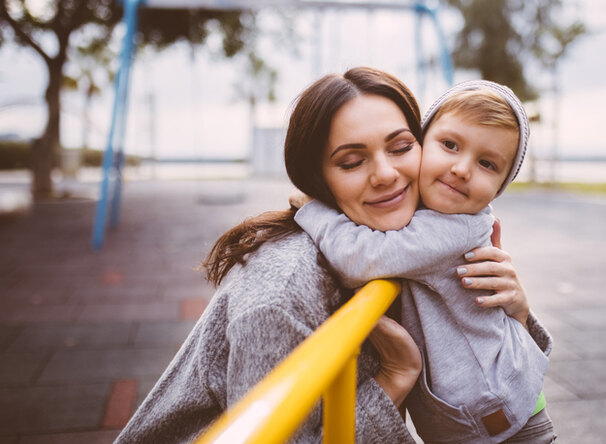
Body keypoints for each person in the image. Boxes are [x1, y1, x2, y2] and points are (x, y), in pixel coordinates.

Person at [114, 69, 550, 444]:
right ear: (315, 176)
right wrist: (393, 379)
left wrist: (516, 308)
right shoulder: (282, 293)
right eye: (350, 161)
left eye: (400, 147)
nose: (385, 174)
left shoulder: (419, 233)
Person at [292, 80, 555, 443]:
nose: (462, 168)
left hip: (499, 421)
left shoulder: (452, 228)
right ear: (423, 141)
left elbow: (362, 258)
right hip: (503, 396)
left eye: (487, 164)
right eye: (449, 145)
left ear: (498, 190)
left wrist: (313, 210)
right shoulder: (433, 214)